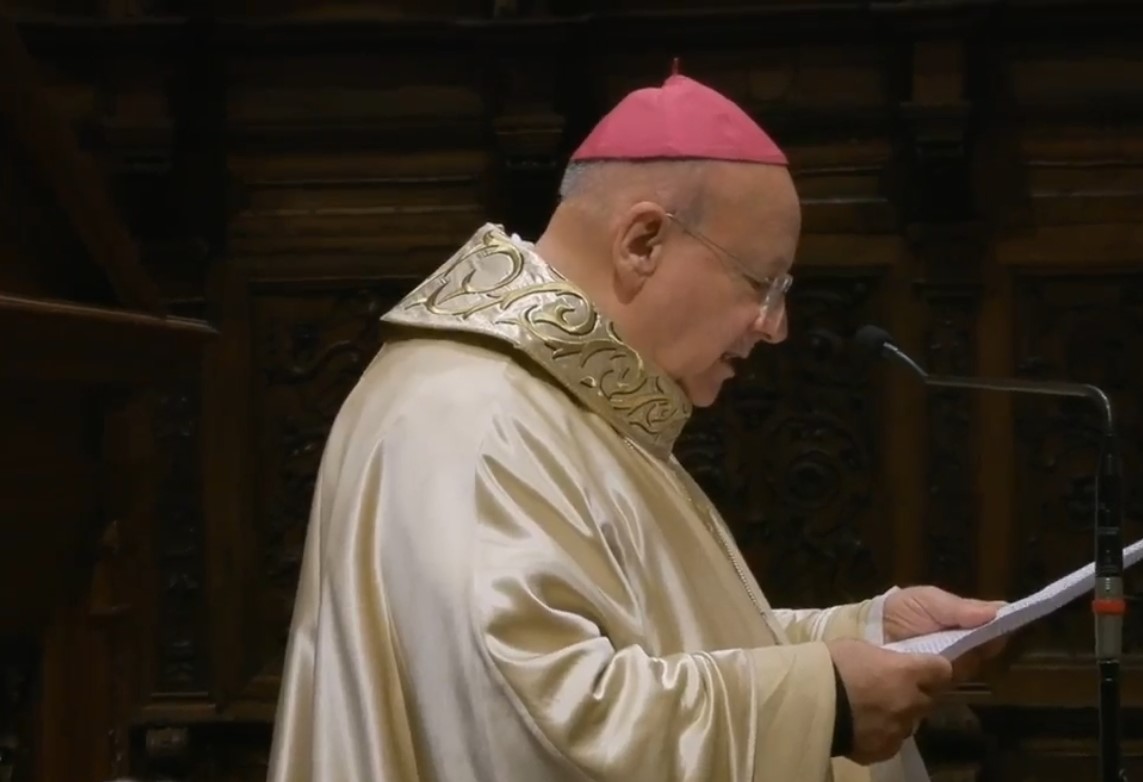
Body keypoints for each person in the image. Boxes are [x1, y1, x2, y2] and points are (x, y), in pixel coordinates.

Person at [265, 65, 1007, 782]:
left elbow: (667, 649)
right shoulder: (471, 416)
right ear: (642, 242)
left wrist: (866, 637)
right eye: (761, 283)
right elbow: (533, 726)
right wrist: (825, 705)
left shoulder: (560, 403)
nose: (774, 326)